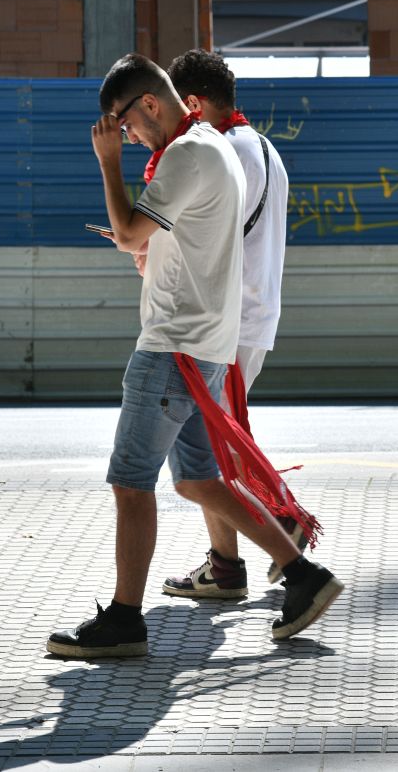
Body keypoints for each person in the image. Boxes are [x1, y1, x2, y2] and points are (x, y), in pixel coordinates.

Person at [46, 54, 342, 658]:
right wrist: (152, 258)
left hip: (172, 347)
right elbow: (182, 242)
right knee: (202, 481)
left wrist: (106, 167)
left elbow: (132, 230)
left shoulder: (185, 155)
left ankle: (126, 620)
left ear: (150, 105)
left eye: (123, 125)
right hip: (203, 346)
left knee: (130, 483)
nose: (123, 137)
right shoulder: (213, 145)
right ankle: (304, 577)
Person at [155, 48, 307, 601]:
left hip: (222, 321)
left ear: (192, 103)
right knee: (215, 445)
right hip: (252, 318)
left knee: (205, 452)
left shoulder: (220, 151)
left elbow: (203, 238)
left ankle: (275, 529)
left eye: (171, 107)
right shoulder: (262, 147)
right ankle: (229, 561)